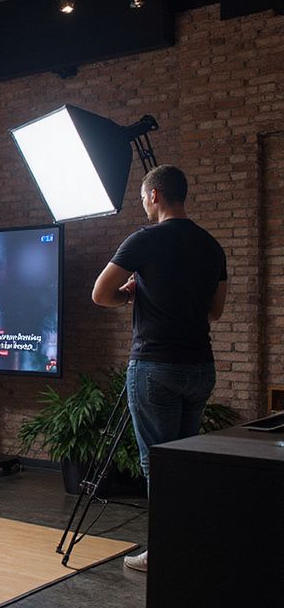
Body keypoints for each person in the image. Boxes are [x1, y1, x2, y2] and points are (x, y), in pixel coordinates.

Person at [92, 164, 227, 574]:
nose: (144, 206)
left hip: (155, 366)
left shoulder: (144, 240)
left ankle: (163, 552)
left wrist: (130, 295)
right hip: (200, 367)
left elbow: (100, 294)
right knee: (183, 461)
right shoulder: (211, 246)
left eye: (143, 199)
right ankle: (187, 544)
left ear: (154, 195)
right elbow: (215, 311)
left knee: (158, 464)